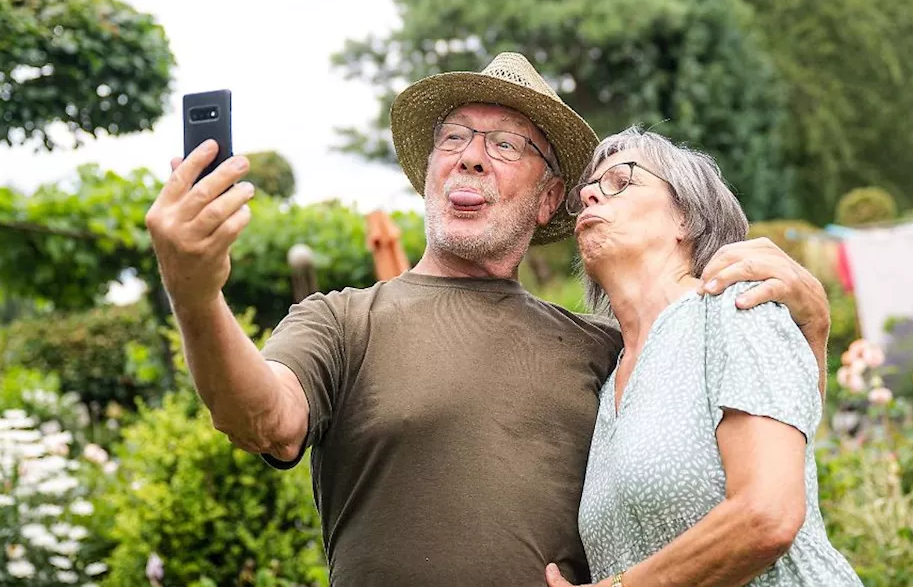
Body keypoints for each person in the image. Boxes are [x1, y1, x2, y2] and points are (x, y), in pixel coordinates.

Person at [145, 53, 832, 586]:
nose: (471, 154)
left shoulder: (614, 350)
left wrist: (812, 328)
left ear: (549, 200)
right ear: (431, 174)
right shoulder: (342, 322)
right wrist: (196, 293)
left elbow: (763, 455)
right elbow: (260, 416)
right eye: (455, 138)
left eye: (506, 145)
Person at [544, 127, 860, 587]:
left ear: (686, 218)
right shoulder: (610, 375)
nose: (590, 194)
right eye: (587, 189)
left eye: (619, 180)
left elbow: (768, 514)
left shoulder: (736, 307)